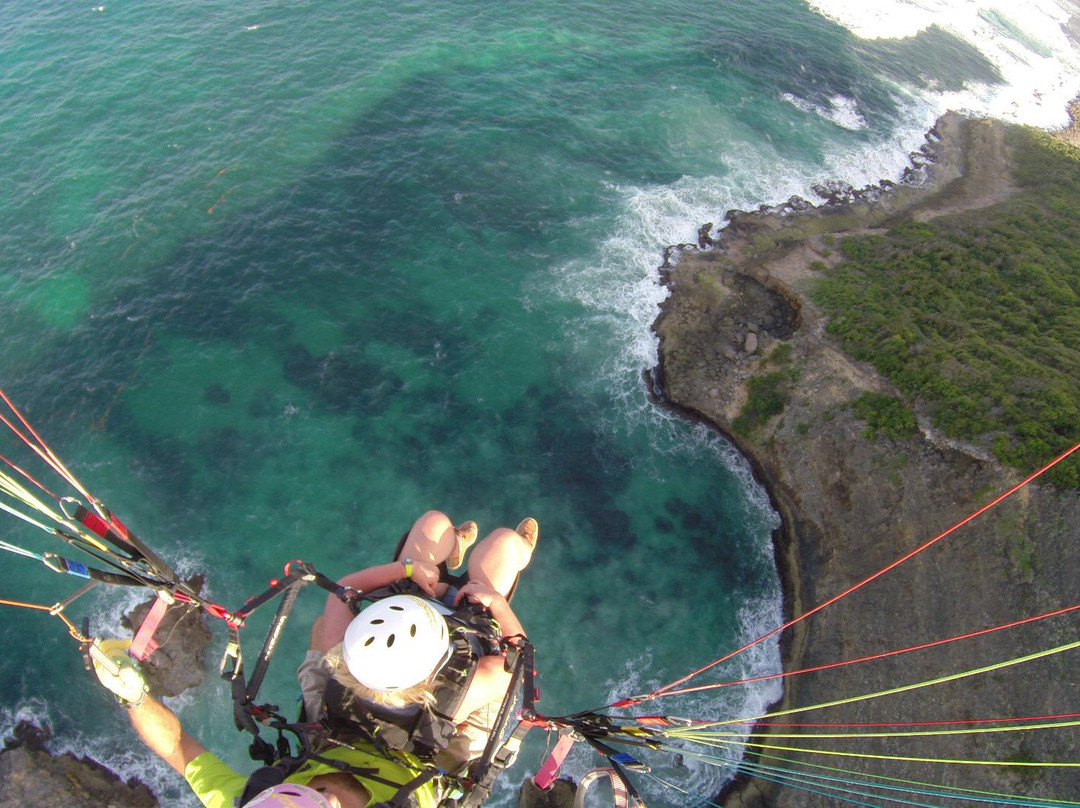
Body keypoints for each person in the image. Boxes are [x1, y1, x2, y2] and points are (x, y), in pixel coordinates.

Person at [92, 512, 538, 808]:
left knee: (431, 527)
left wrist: (134, 698)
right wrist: (494, 603)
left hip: (345, 714)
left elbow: (177, 749)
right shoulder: (453, 699)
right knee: (500, 551)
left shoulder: (254, 801)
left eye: (312, 788)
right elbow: (507, 669)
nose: (325, 791)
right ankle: (499, 555)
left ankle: (446, 555)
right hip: (433, 752)